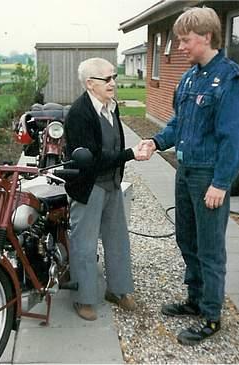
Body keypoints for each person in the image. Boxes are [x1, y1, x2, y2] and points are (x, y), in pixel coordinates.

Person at [138, 6, 239, 345]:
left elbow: (235, 137)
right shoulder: (189, 77)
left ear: (206, 36)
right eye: (178, 41)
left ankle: (212, 316)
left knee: (210, 248)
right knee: (187, 239)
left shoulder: (229, 79)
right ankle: (195, 300)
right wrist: (155, 142)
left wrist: (221, 182)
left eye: (185, 40)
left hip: (208, 176)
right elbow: (177, 124)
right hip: (185, 171)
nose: (180, 47)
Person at [64, 57, 145, 321]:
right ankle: (84, 298)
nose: (113, 83)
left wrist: (120, 164)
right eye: (107, 79)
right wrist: (130, 154)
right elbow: (93, 160)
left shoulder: (111, 107)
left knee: (118, 239)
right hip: (88, 187)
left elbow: (113, 142)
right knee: (85, 245)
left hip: (111, 184)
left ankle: (118, 290)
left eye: (114, 77)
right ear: (90, 83)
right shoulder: (79, 114)